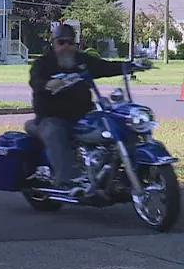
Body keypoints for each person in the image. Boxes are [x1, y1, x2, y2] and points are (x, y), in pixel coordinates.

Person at [26, 24, 150, 195]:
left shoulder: (82, 61)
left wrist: (131, 66)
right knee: (54, 132)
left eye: (70, 42)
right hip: (52, 116)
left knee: (118, 126)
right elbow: (35, 82)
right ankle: (66, 181)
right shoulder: (43, 64)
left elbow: (105, 67)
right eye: (61, 42)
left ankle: (122, 175)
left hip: (83, 115)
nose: (66, 47)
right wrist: (48, 84)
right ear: (54, 43)